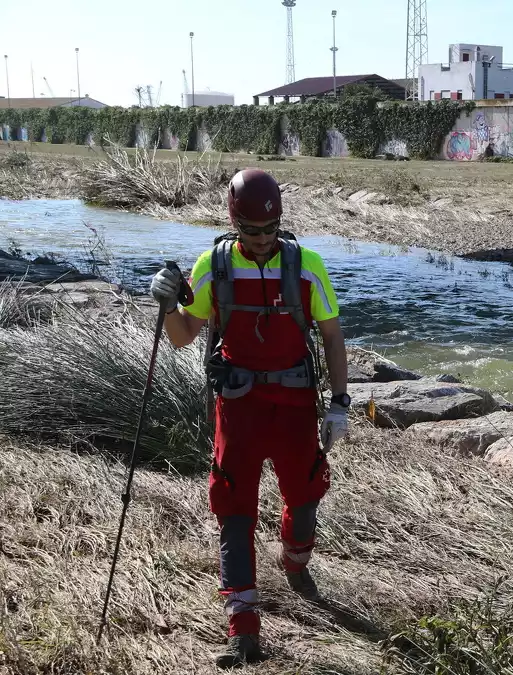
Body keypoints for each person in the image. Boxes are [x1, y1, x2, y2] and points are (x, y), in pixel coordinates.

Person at [149, 168, 350, 669]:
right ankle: (243, 628)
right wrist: (168, 301)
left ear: (281, 222)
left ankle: (295, 560)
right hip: (237, 408)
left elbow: (331, 336)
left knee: (304, 501)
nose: (262, 242)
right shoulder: (212, 267)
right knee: (233, 510)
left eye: (270, 231)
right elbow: (180, 335)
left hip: (296, 408)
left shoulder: (307, 266)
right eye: (251, 232)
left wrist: (340, 404)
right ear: (233, 222)